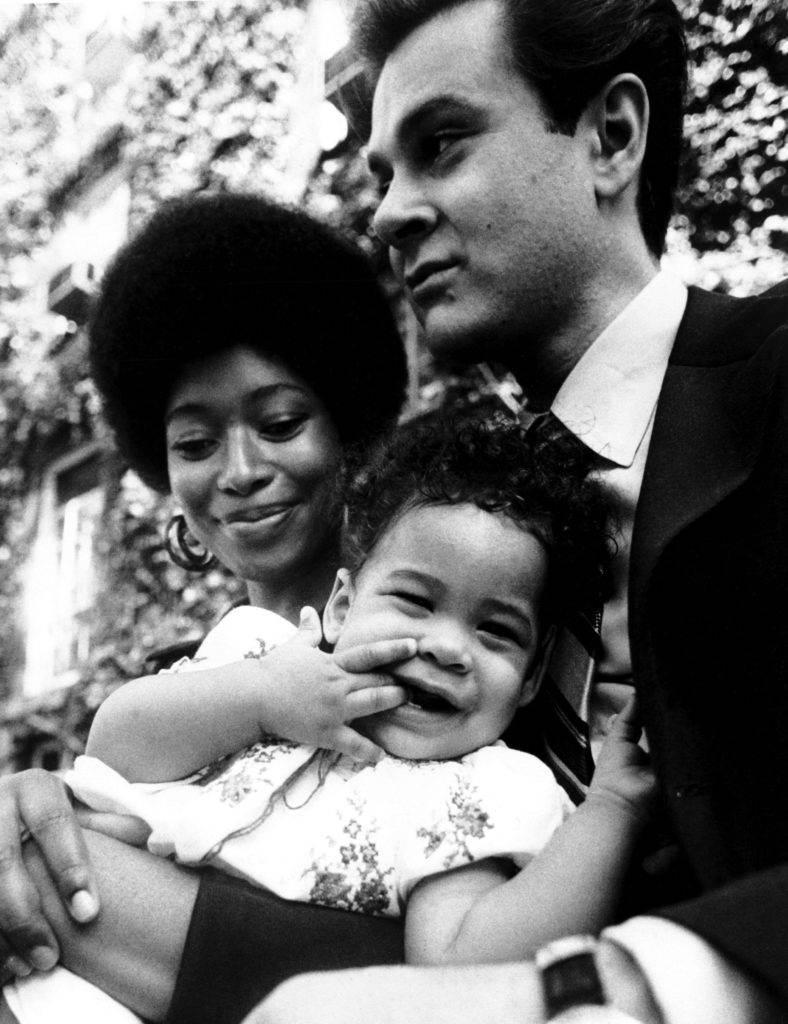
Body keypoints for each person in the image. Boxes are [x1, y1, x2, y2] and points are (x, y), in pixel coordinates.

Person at [248, 0, 788, 1021]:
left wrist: (631, 984)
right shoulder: (468, 529)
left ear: (610, 137)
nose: (386, 212)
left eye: (439, 145)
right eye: (379, 176)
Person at [3, 415, 656, 1022]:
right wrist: (259, 699)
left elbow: (459, 965)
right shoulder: (261, 656)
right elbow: (119, 745)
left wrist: (612, 811)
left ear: (532, 679)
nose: (449, 647)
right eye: (414, 600)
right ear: (342, 606)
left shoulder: (473, 790)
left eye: (495, 632)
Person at [0, 190, 413, 1022]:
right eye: (194, 443)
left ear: (350, 431)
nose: (239, 470)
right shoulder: (176, 692)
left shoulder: (431, 642)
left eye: (281, 421)